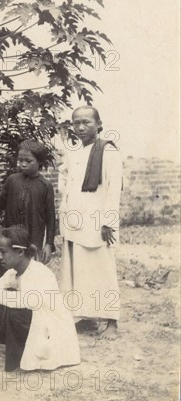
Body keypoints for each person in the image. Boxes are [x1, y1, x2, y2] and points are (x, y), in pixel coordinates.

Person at [0, 225, 80, 372]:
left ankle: (22, 357)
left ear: (20, 252)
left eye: (3, 252)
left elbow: (28, 300)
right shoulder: (13, 272)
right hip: (38, 322)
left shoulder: (39, 272)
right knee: (7, 297)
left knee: (15, 309)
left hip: (52, 330)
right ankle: (21, 349)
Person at [58, 106, 123, 339]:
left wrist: (108, 222)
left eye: (86, 122)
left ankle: (112, 322)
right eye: (76, 123)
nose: (81, 127)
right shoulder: (74, 151)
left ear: (98, 124)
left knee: (102, 268)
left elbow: (114, 190)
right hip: (75, 220)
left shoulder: (108, 151)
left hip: (97, 223)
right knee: (77, 269)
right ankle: (82, 317)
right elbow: (64, 175)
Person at [0, 139, 56, 263]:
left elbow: (50, 217)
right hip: (12, 238)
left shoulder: (45, 185)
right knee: (12, 270)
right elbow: (1, 204)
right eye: (20, 160)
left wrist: (49, 244)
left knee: (33, 270)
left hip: (34, 239)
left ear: (39, 161)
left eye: (28, 161)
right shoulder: (12, 180)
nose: (23, 164)